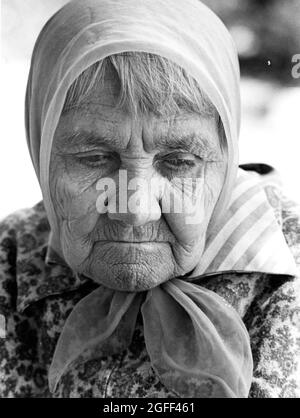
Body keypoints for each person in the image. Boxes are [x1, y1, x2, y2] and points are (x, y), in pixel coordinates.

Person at [0, 0, 299, 398]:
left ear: (225, 159)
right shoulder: (12, 254)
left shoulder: (288, 256)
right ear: (40, 148)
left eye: (178, 162)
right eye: (94, 158)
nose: (136, 211)